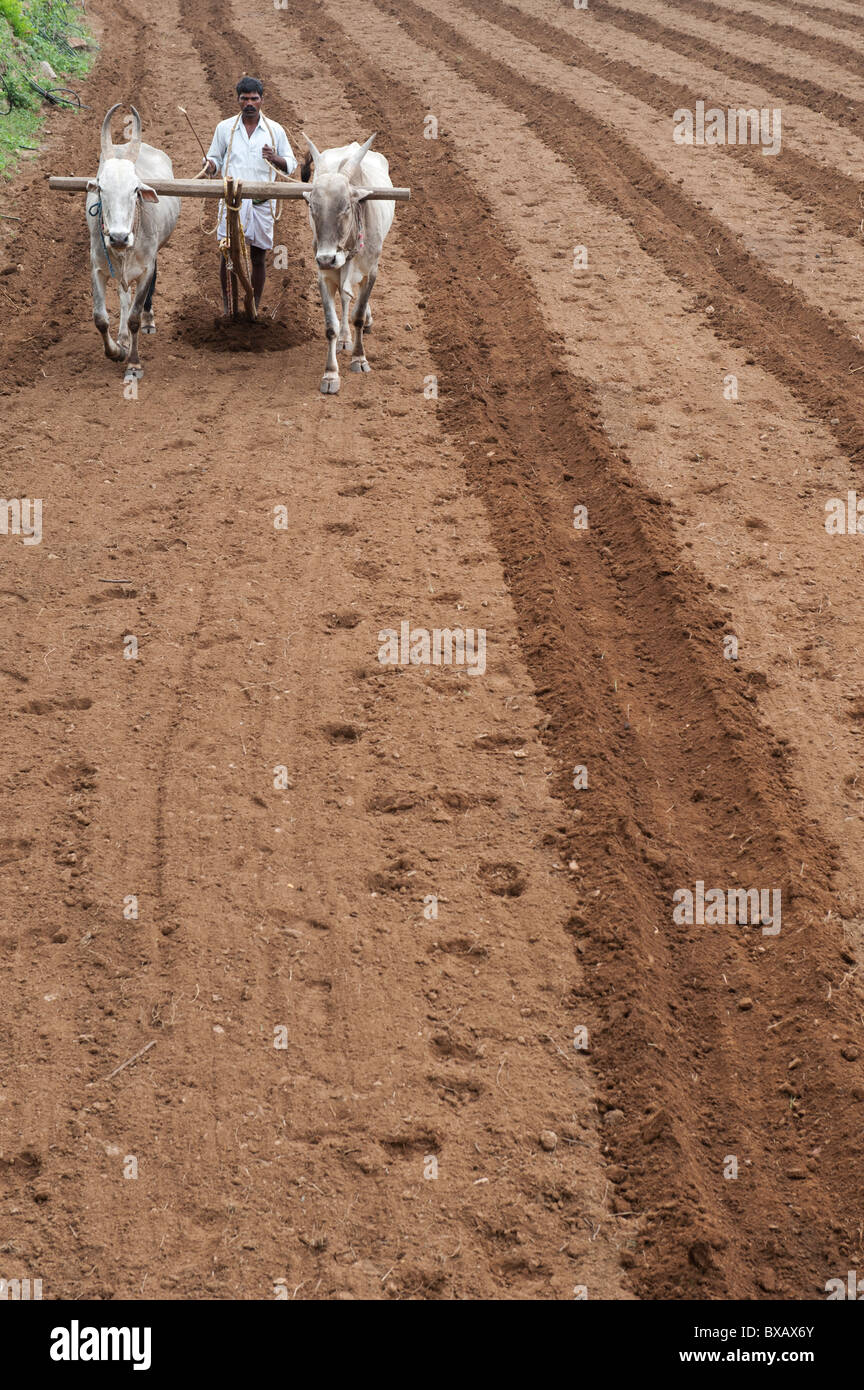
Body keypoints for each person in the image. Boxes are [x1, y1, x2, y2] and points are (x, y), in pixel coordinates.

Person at [203, 77, 297, 312]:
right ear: (238, 100)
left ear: (262, 100)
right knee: (227, 256)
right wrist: (210, 166)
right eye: (244, 99)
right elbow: (214, 158)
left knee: (258, 257)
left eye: (254, 99)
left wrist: (275, 158)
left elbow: (292, 164)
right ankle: (228, 308)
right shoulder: (225, 128)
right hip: (232, 202)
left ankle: (253, 307)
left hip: (262, 203)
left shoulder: (275, 130)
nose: (249, 103)